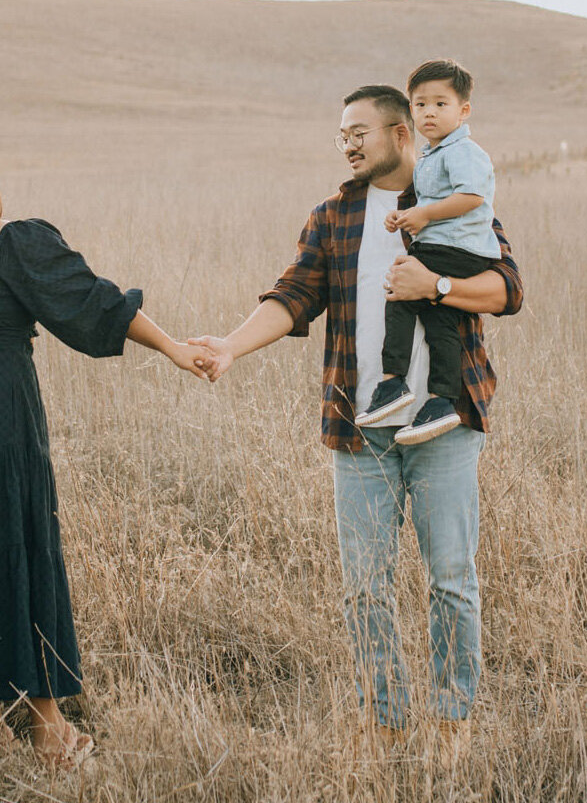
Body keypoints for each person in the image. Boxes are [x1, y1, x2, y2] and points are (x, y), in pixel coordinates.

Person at [191, 85, 522, 756]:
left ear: (401, 133)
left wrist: (436, 286)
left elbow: (507, 289)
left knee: (450, 580)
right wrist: (228, 344)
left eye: (358, 130)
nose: (345, 143)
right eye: (339, 133)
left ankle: (453, 720)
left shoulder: (448, 202)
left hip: (444, 423)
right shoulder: (333, 216)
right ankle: (386, 721)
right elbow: (292, 297)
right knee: (364, 587)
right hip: (360, 426)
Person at [0, 132, 208, 771]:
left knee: (9, 568)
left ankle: (50, 729)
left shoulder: (15, 240)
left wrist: (176, 350)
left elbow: (93, 302)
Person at [357, 59, 501, 445]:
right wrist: (406, 217)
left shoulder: (463, 151)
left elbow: (471, 197)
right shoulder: (434, 155)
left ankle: (392, 382)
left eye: (440, 104)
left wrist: (421, 214)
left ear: (463, 110)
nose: (429, 113)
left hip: (457, 248)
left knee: (401, 289)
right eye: (420, 104)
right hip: (449, 245)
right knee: (441, 324)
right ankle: (441, 399)